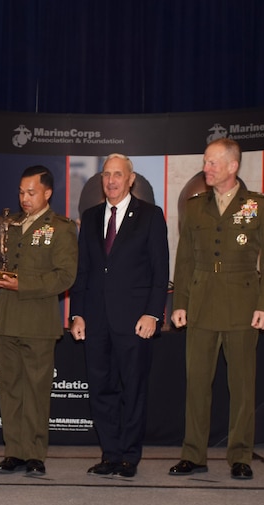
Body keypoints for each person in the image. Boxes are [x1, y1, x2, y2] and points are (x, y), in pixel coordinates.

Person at [169, 138, 264, 480]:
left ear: (233, 167)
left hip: (242, 304)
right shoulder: (194, 206)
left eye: (213, 163)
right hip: (202, 302)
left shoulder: (259, 206)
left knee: (242, 385)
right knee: (197, 384)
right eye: (205, 162)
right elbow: (185, 259)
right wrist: (180, 303)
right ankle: (194, 454)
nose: (206, 168)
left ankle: (240, 456)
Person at [69, 154, 169, 478]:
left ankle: (129, 456)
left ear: (131, 179)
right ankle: (110, 454)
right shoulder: (91, 215)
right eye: (106, 174)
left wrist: (153, 313)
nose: (111, 180)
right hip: (96, 322)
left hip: (134, 322)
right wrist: (78, 314)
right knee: (101, 390)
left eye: (117, 174)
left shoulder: (151, 216)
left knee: (133, 390)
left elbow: (159, 271)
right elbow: (82, 271)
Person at [0, 165, 78, 476]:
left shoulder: (61, 228)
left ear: (47, 193)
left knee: (36, 390)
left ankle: (35, 453)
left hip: (39, 321)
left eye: (31, 192)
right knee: (9, 389)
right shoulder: (11, 225)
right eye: (21, 192)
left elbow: (65, 276)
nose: (24, 198)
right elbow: (1, 266)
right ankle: (14, 451)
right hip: (7, 317)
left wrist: (22, 282)